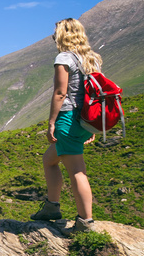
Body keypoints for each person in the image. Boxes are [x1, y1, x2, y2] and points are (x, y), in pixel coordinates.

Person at [30, 18, 100, 235]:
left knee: (77, 171)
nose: (53, 37)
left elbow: (60, 93)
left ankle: (85, 223)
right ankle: (52, 207)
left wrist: (52, 122)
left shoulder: (64, 58)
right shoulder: (92, 59)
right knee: (49, 160)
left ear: (62, 35)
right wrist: (92, 127)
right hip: (85, 120)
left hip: (68, 118)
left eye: (55, 33)